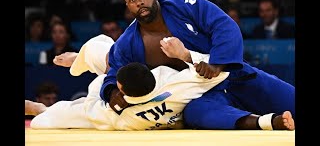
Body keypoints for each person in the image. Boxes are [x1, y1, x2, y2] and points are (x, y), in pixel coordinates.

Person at [99, 0, 295, 130]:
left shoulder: (183, 4)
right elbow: (114, 69)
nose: (139, 3)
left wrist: (217, 63)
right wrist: (112, 92)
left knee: (288, 98)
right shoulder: (127, 42)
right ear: (127, 6)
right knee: (196, 114)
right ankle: (268, 122)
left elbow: (224, 25)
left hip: (234, 77)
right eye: (132, 0)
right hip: (202, 97)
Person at [26, 36, 294, 130]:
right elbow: (219, 69)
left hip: (219, 90)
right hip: (206, 98)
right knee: (200, 111)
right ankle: (268, 121)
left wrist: (41, 114)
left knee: (79, 108)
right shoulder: (175, 84)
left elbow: (71, 114)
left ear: (118, 87)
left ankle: (41, 106)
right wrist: (184, 55)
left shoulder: (117, 117)